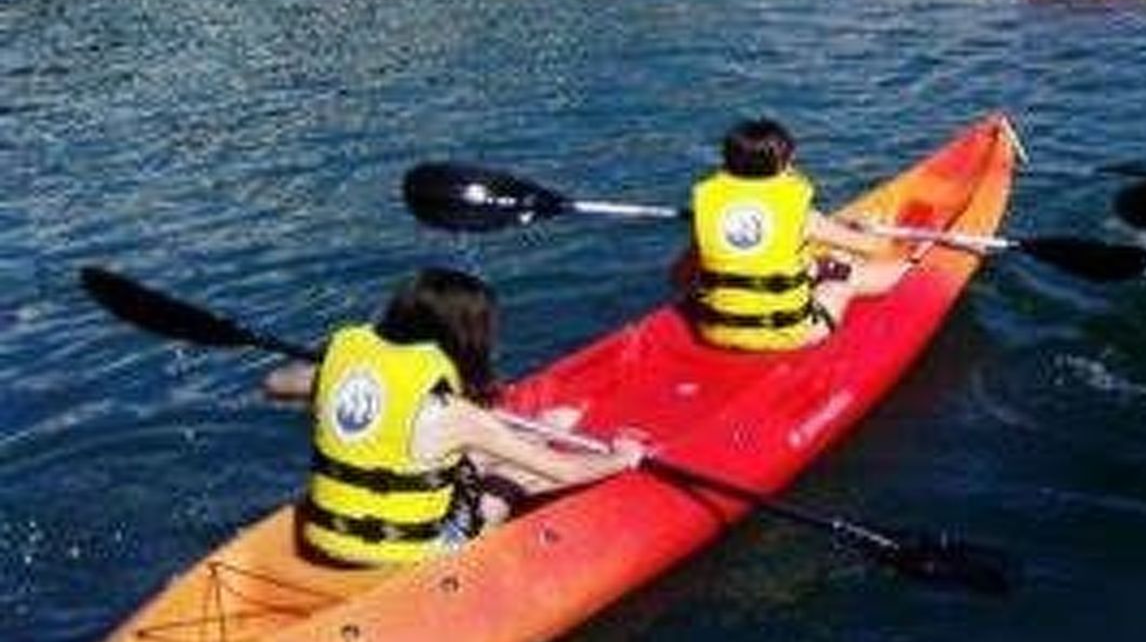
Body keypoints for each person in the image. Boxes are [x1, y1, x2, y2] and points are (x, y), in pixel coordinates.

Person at [264, 267, 642, 568]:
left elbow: (275, 383)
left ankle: (546, 428)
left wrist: (331, 371)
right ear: (460, 336)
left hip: (328, 536)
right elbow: (565, 472)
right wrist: (621, 457)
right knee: (510, 475)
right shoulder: (452, 415)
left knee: (475, 456)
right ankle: (547, 431)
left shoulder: (338, 375)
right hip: (409, 555)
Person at [682, 118, 904, 351]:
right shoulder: (803, 216)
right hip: (789, 335)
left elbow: (681, 276)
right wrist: (871, 226)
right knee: (844, 280)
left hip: (714, 332)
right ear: (783, 165)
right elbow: (875, 247)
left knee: (819, 263)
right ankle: (914, 272)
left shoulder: (712, 209)